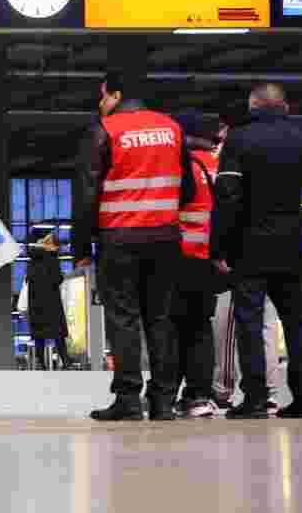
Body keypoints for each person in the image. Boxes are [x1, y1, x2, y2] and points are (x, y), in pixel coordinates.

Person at [74, 71, 195, 422]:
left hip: (120, 240)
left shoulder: (105, 130)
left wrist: (81, 246)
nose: (100, 104)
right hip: (165, 238)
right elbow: (186, 189)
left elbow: (86, 194)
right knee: (161, 319)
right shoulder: (172, 129)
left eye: (102, 96)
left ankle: (127, 399)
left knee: (123, 318)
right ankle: (162, 402)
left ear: (116, 95)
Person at [210, 83, 302, 419]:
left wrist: (219, 247)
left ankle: (256, 398)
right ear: (284, 106)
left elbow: (228, 196)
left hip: (250, 244)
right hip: (291, 243)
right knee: (296, 323)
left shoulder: (239, 140)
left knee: (250, 322)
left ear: (253, 106)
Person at [211, 101, 281, 411]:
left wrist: (220, 248)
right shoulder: (273, 154)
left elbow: (226, 205)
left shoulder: (230, 158)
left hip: (243, 250)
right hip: (277, 247)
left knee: (229, 324)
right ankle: (269, 392)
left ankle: (223, 388)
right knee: (267, 323)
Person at [169, 111, 222, 418]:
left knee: (173, 327)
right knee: (201, 327)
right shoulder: (223, 165)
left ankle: (167, 393)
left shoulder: (184, 166)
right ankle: (199, 395)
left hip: (182, 257)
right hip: (210, 261)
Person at [26, 230, 73, 371]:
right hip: (52, 301)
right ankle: (66, 362)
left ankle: (41, 363)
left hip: (36, 303)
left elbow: (29, 280)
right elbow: (57, 278)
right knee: (58, 333)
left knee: (39, 333)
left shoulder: (32, 262)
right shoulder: (52, 259)